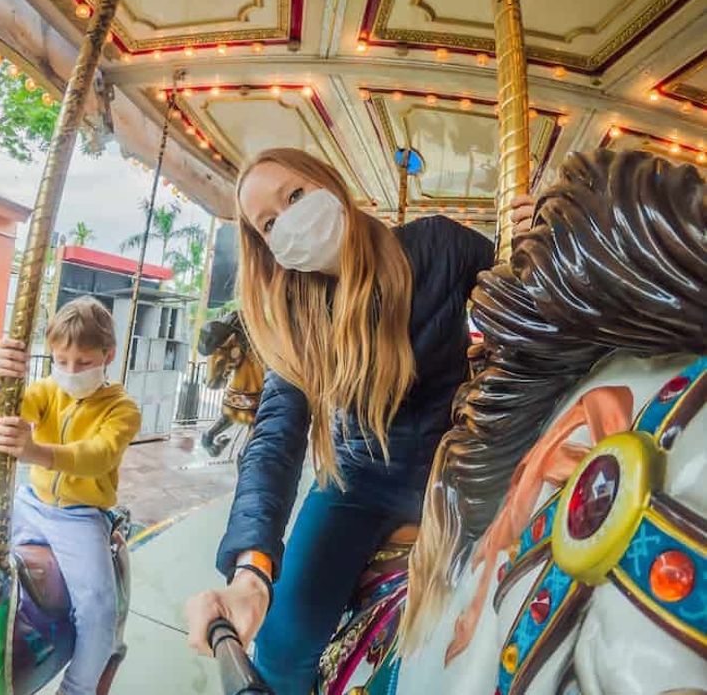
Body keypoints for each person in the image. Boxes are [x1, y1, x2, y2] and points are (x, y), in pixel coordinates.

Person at [185, 148, 535, 693]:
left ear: (329, 183)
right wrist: (251, 569)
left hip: (458, 471)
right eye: (270, 224)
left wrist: (538, 250)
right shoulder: (295, 318)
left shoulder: (437, 244)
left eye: (295, 195)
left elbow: (519, 298)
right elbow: (275, 439)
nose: (290, 221)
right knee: (282, 649)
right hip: (356, 483)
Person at [0, 296, 141, 695]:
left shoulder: (122, 409)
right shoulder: (46, 390)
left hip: (80, 516)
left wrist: (36, 452)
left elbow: (98, 455)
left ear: (108, 355)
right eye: (61, 360)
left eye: (84, 362)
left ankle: (77, 688)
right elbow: (9, 409)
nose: (71, 371)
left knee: (99, 608)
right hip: (31, 502)